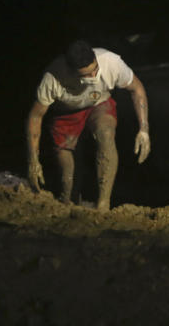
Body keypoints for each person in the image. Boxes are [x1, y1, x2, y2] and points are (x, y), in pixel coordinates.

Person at [26, 40, 151, 210]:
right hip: (66, 114)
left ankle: (103, 204)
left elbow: (137, 89)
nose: (93, 77)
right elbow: (35, 116)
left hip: (98, 104)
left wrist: (144, 129)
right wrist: (33, 160)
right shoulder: (54, 77)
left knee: (105, 133)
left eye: (95, 71)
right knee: (69, 181)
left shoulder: (110, 61)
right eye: (86, 75)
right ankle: (69, 201)